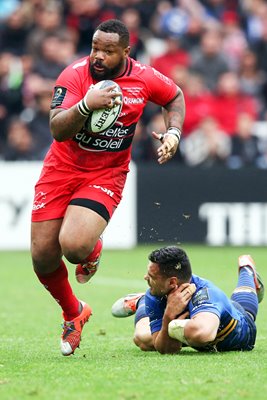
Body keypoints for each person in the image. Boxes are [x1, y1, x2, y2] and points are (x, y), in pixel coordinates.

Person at [30, 19, 185, 357]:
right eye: (94, 48)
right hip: (61, 168)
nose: (97, 56)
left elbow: (174, 97)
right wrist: (86, 105)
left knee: (72, 247)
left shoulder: (143, 78)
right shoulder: (74, 75)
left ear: (125, 52)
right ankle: (74, 312)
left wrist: (173, 133)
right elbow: (57, 128)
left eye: (107, 51)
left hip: (105, 173)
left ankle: (90, 249)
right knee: (42, 257)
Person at [111, 246, 264, 354]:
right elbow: (164, 349)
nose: (145, 278)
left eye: (151, 277)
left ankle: (247, 270)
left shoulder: (206, 294)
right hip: (187, 326)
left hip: (240, 330)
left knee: (246, 313)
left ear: (172, 282)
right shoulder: (154, 293)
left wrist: (171, 327)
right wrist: (169, 316)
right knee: (141, 340)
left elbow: (203, 335)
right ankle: (142, 301)